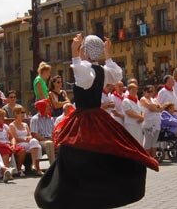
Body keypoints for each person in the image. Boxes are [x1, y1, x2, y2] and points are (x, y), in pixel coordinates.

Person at [34, 34, 159, 208]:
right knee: (102, 152)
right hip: (99, 118)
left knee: (74, 153)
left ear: (85, 50)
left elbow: (82, 76)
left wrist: (74, 52)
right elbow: (116, 75)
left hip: (84, 119)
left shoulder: (86, 69)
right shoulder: (101, 70)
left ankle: (71, 194)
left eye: (83, 48)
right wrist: (107, 54)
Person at [11, 105, 43, 176]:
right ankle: (35, 168)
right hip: (19, 143)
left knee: (35, 142)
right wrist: (25, 139)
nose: (24, 114)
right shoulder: (12, 125)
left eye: (24, 112)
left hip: (28, 143)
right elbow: (14, 138)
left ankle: (36, 167)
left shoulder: (25, 124)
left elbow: (30, 134)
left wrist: (29, 137)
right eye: (22, 112)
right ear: (16, 113)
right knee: (36, 146)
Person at [29, 100, 57, 165]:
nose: (49, 108)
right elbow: (34, 134)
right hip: (40, 140)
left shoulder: (51, 118)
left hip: (51, 139)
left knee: (64, 144)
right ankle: (53, 166)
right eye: (47, 107)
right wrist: (47, 140)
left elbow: (54, 131)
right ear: (42, 107)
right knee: (49, 143)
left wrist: (55, 139)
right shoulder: (35, 119)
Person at [139, 87, 164, 154]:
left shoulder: (154, 99)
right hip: (148, 123)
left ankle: (153, 158)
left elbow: (161, 108)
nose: (150, 93)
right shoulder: (143, 99)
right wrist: (156, 108)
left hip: (156, 122)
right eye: (148, 91)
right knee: (148, 141)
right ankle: (147, 158)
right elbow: (151, 108)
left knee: (154, 142)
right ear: (144, 92)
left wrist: (155, 107)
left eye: (152, 91)